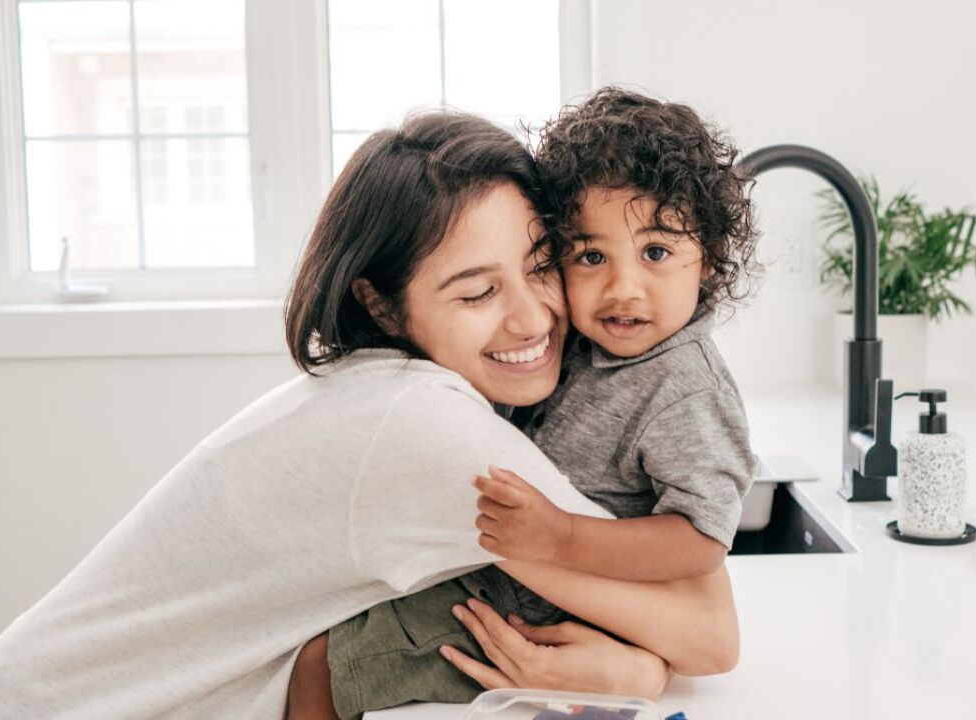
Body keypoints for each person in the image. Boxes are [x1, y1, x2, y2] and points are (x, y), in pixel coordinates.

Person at [0, 111, 737, 720]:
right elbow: (709, 635)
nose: (533, 319)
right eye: (478, 291)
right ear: (381, 305)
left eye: (539, 267)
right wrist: (641, 673)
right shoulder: (426, 432)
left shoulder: (386, 392)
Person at [307, 87, 760, 719]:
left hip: (542, 599)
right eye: (589, 256)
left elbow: (702, 543)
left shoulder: (687, 386)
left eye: (656, 252)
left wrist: (564, 537)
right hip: (537, 586)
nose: (622, 288)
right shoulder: (587, 343)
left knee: (328, 666)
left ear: (707, 259)